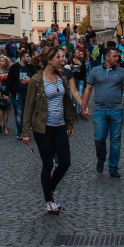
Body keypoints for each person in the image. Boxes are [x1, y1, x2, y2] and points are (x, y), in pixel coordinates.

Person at [21, 45, 76, 214]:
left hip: (59, 126)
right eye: (59, 57)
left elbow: (66, 103)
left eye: (63, 57)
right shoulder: (37, 80)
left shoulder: (62, 78)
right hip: (42, 127)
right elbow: (28, 107)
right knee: (48, 163)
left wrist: (69, 124)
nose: (62, 59)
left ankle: (49, 188)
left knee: (65, 161)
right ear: (50, 60)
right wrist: (25, 133)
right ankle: (48, 200)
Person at [82, 44, 124, 178]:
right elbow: (88, 89)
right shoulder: (95, 71)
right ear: (107, 57)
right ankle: (101, 158)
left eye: (118, 56)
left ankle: (113, 167)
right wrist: (83, 107)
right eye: (115, 56)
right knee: (99, 138)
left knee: (115, 140)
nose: (117, 58)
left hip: (116, 110)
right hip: (100, 110)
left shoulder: (121, 72)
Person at [7, 46, 31, 139]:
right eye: (27, 56)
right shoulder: (15, 67)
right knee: (19, 113)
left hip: (28, 93)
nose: (28, 58)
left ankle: (26, 131)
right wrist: (7, 93)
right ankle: (20, 132)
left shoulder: (30, 67)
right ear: (22, 57)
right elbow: (9, 81)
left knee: (27, 113)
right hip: (17, 93)